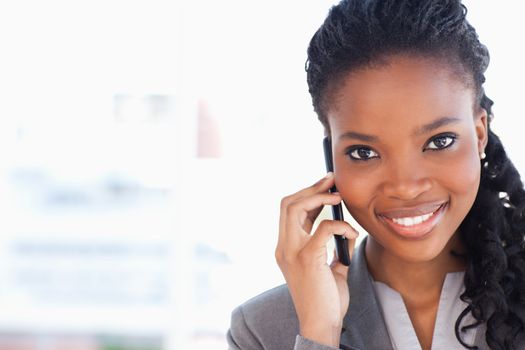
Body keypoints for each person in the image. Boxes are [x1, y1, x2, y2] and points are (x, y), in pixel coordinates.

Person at [227, 0, 525, 349]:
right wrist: (320, 331)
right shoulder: (263, 329)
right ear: (331, 156)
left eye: (439, 141)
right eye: (363, 153)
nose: (405, 186)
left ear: (479, 135)